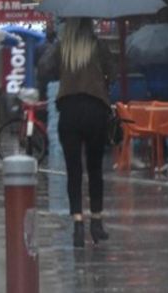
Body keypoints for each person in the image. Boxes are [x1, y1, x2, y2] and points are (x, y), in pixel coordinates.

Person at [42, 17, 114, 248]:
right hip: (95, 110)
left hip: (69, 112)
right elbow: (112, 71)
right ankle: (97, 222)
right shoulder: (98, 45)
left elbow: (45, 69)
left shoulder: (63, 47)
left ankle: (78, 225)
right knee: (95, 169)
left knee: (73, 171)